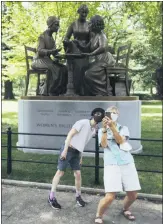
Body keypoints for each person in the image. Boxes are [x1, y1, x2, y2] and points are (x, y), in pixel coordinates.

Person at [48, 107, 105, 209]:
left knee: (78, 174)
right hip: (68, 148)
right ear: (93, 114)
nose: (98, 115)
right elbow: (70, 134)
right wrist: (65, 150)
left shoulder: (94, 129)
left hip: (77, 152)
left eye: (101, 114)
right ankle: (51, 197)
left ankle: (78, 196)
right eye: (97, 113)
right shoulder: (83, 122)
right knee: (60, 172)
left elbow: (83, 142)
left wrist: (81, 155)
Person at [95, 106, 141, 224]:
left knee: (133, 194)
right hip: (111, 164)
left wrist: (113, 127)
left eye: (115, 113)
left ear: (118, 115)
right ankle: (99, 215)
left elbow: (121, 141)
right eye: (110, 113)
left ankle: (125, 209)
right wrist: (105, 129)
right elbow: (104, 145)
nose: (113, 115)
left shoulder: (124, 128)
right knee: (110, 196)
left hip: (127, 162)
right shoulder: (101, 130)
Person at [75, 15, 115, 96]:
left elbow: (103, 47)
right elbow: (86, 48)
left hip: (104, 60)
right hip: (98, 60)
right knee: (83, 69)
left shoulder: (101, 35)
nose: (88, 25)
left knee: (89, 73)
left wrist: (91, 54)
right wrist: (78, 45)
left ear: (95, 24)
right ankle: (89, 93)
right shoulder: (93, 36)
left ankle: (102, 92)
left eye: (90, 24)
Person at [32, 16, 68, 96]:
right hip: (39, 60)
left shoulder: (52, 39)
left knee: (64, 68)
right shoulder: (42, 36)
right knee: (55, 68)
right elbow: (40, 51)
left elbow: (55, 54)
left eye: (58, 25)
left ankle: (59, 91)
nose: (58, 27)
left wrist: (64, 56)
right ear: (50, 25)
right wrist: (51, 51)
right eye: (56, 25)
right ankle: (49, 91)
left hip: (47, 60)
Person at [63, 4, 91, 95]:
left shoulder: (89, 25)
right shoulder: (73, 24)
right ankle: (73, 89)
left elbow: (92, 39)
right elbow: (66, 37)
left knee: (83, 67)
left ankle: (82, 90)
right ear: (78, 12)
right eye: (82, 12)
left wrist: (86, 47)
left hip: (85, 49)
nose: (84, 14)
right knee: (73, 66)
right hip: (74, 48)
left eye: (86, 12)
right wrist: (67, 41)